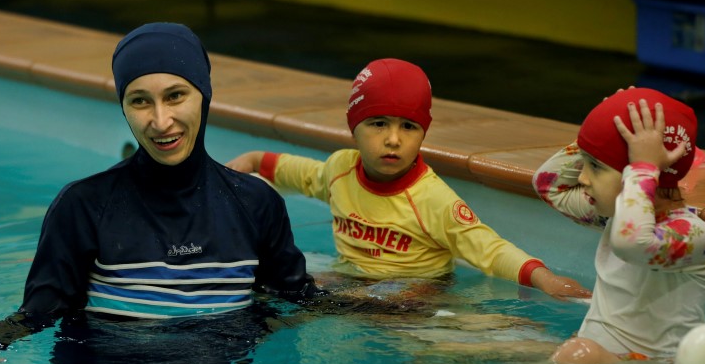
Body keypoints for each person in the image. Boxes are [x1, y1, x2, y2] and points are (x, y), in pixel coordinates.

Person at [0, 22, 322, 364]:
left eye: (175, 96)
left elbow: (293, 296)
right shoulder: (85, 205)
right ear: (123, 109)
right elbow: (45, 307)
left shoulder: (254, 202)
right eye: (140, 101)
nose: (160, 121)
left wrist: (399, 314)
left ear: (204, 96)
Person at [371, 87, 705, 364]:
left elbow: (634, 244)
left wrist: (642, 166)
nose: (582, 177)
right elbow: (549, 183)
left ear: (648, 175)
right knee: (447, 348)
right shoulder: (615, 219)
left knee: (575, 354)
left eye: (595, 166)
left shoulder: (693, 236)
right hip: (592, 353)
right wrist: (604, 124)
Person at [226, 58, 590, 301]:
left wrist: (544, 279)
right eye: (378, 123)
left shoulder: (432, 199)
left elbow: (489, 249)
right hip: (354, 283)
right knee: (266, 284)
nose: (394, 139)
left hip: (417, 297)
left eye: (409, 126)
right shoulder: (340, 169)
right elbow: (299, 173)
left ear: (422, 133)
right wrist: (253, 160)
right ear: (354, 128)